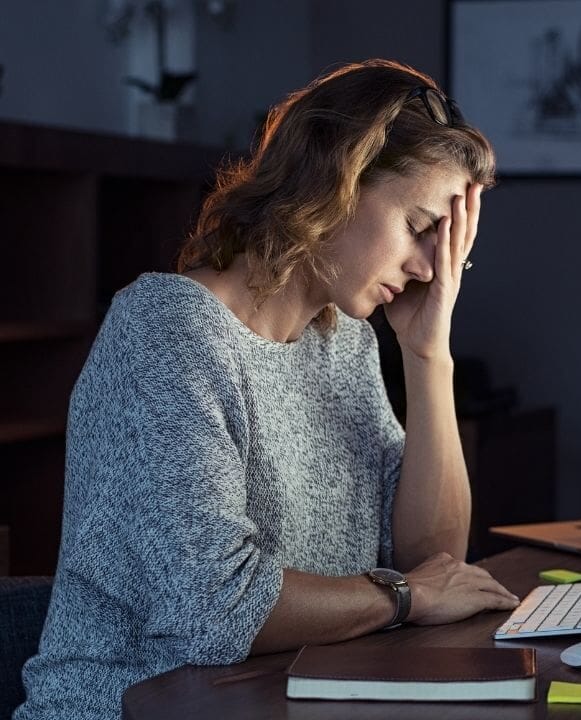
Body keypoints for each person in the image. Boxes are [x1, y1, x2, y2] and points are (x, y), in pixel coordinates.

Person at [15, 59, 520, 720]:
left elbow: (434, 559)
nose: (432, 267)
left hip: (281, 701)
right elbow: (215, 609)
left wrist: (429, 354)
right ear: (338, 180)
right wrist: (404, 597)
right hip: (133, 708)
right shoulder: (167, 332)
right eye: (423, 228)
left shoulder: (343, 342)